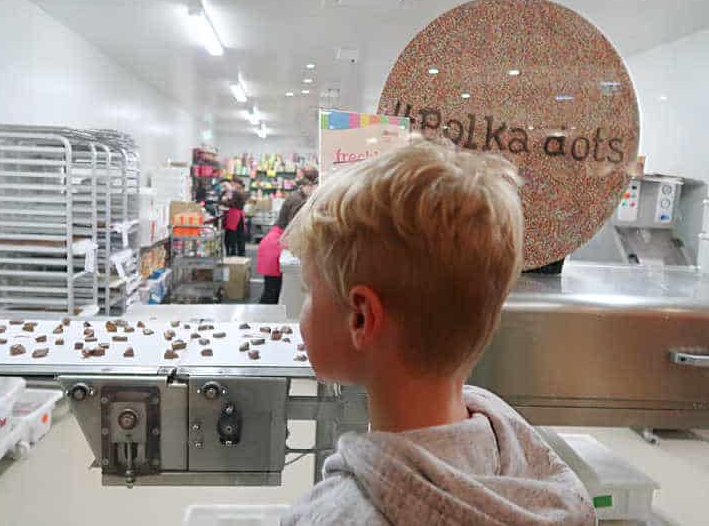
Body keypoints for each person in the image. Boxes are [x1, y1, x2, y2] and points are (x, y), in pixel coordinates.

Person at [281, 143, 595, 525]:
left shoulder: (336, 516)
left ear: (361, 319)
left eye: (311, 290)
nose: (306, 305)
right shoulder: (520, 458)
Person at [256, 173, 319, 304]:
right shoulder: (299, 201)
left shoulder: (297, 197)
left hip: (276, 240)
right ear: (305, 186)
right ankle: (260, 320)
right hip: (276, 244)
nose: (314, 190)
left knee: (272, 289)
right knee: (271, 291)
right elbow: (294, 226)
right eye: (313, 187)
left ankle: (263, 318)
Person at [223, 190, 246, 256]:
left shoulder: (232, 193)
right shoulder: (239, 194)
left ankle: (232, 252)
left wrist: (225, 200)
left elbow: (228, 203)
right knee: (240, 236)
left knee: (231, 236)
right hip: (240, 215)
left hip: (234, 216)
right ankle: (241, 253)